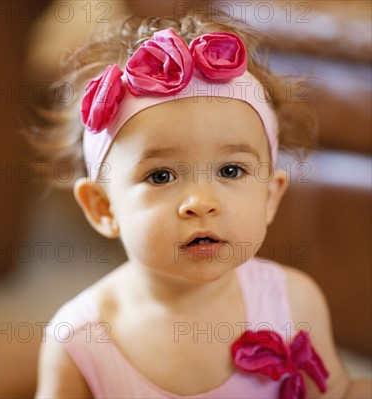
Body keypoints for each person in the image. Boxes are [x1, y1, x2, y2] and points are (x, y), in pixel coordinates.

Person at [24, 11, 372, 398]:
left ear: (270, 196)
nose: (200, 203)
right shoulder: (79, 339)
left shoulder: (292, 301)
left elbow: (337, 392)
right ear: (102, 208)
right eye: (161, 176)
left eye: (230, 170)